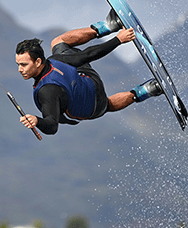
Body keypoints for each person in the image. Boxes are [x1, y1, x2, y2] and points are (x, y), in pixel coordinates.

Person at [15, 9, 163, 135]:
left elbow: (52, 125)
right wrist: (118, 39)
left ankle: (147, 90)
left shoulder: (46, 91)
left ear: (38, 62)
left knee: (108, 105)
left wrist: (37, 121)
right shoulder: (59, 61)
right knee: (58, 42)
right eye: (18, 64)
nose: (20, 69)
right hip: (92, 83)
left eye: (23, 64)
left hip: (93, 110)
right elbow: (88, 54)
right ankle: (106, 27)